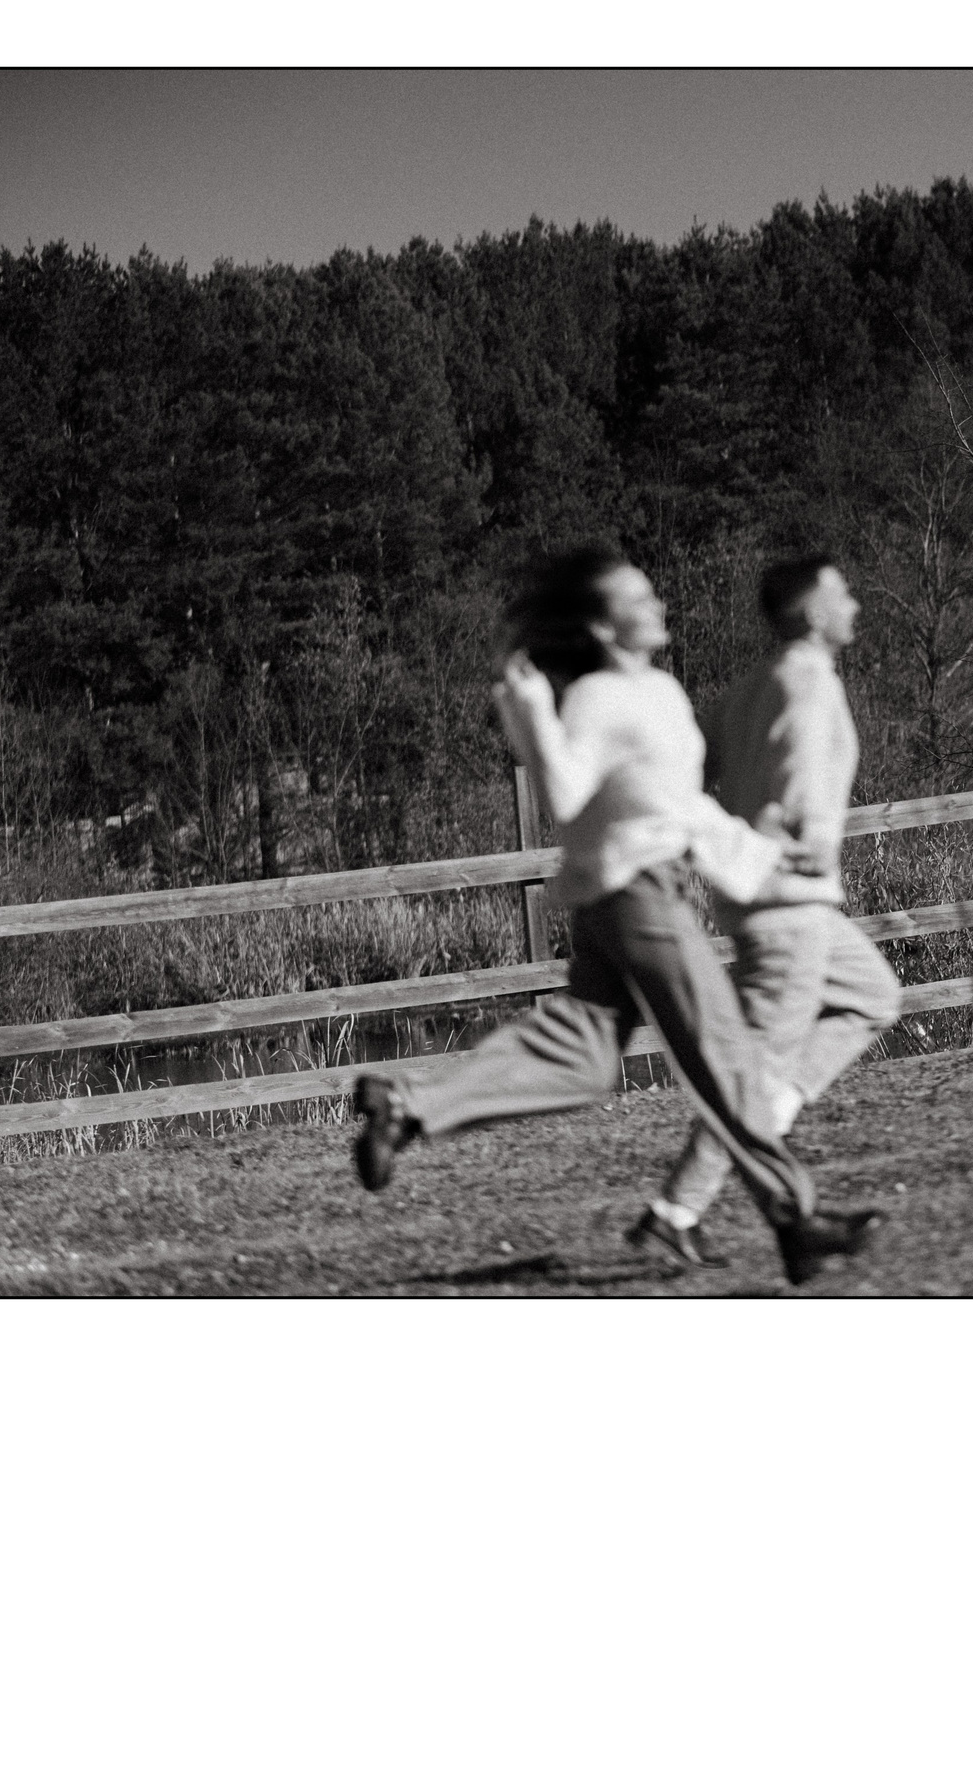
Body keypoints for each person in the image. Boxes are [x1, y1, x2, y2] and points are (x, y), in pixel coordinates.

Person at [349, 548, 876, 1287]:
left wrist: (760, 854)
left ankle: (406, 1107)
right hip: (638, 898)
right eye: (637, 598)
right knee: (724, 1056)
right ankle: (795, 1219)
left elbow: (679, 806)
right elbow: (566, 795)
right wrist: (532, 709)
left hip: (628, 894)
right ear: (603, 626)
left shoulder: (661, 690)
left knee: (586, 1059)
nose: (656, 603)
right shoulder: (595, 697)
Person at [630, 555, 902, 1268]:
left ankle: (770, 1113)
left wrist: (723, 840)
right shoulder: (808, 683)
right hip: (789, 901)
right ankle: (677, 1210)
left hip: (781, 902)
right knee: (751, 1075)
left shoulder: (750, 686)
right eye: (843, 592)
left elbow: (695, 771)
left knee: (873, 995)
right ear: (812, 612)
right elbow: (803, 777)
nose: (854, 603)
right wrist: (803, 838)